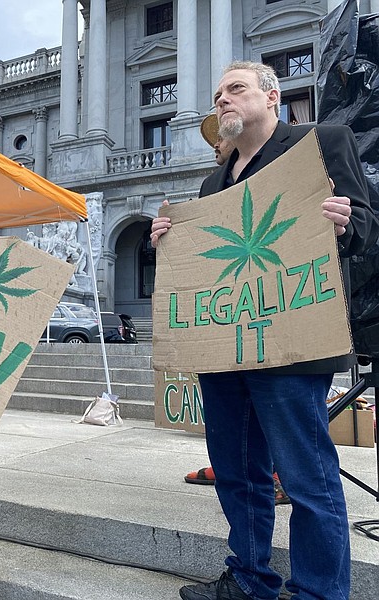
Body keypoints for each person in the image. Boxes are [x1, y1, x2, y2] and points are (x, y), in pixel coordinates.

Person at [152, 62, 377, 600]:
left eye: (235, 89)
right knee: (236, 472)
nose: (222, 101)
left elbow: (369, 225)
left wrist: (348, 220)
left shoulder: (322, 142)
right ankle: (249, 577)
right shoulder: (213, 180)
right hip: (226, 349)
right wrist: (168, 239)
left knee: (305, 478)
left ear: (271, 96)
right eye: (216, 94)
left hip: (293, 346)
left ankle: (318, 592)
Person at [187, 116, 290, 505]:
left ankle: (279, 474)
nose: (215, 146)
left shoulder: (283, 162)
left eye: (220, 140)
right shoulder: (211, 186)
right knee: (237, 445)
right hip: (230, 328)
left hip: (278, 323)